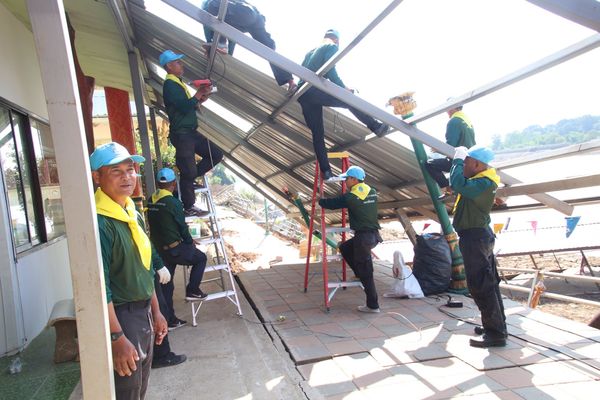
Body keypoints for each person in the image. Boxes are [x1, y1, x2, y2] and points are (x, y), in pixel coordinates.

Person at [90, 142, 169, 398]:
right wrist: (116, 337)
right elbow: (100, 288)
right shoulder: (99, 222)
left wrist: (157, 312)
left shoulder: (129, 211)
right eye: (116, 171)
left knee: (140, 385)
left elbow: (145, 267)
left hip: (142, 312)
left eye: (130, 168)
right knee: (127, 390)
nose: (127, 176)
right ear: (97, 177)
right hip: (122, 318)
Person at [297, 30, 389, 181]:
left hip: (303, 95)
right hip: (313, 89)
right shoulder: (331, 46)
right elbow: (330, 70)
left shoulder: (310, 52)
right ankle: (375, 126)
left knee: (317, 134)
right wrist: (343, 89)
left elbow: (303, 73)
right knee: (349, 100)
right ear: (337, 40)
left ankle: (326, 172)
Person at [449, 145, 507, 348]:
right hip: (478, 235)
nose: (463, 166)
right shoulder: (481, 181)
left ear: (476, 164)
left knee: (481, 285)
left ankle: (495, 333)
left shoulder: (482, 182)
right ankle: (496, 326)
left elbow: (457, 183)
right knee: (489, 282)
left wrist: (456, 160)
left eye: (465, 162)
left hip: (475, 238)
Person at [159, 49, 223, 217]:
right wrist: (198, 94)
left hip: (190, 132)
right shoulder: (170, 84)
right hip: (182, 134)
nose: (182, 65)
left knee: (215, 154)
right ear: (169, 66)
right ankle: (189, 205)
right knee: (187, 172)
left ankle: (189, 180)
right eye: (178, 62)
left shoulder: (177, 82)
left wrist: (200, 98)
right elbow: (182, 106)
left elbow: (188, 105)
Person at [147, 168, 209, 330]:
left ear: (158, 183)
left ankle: (170, 320)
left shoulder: (151, 200)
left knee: (166, 285)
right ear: (174, 184)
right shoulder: (173, 203)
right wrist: (190, 243)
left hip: (160, 251)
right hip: (175, 249)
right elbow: (182, 227)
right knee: (201, 258)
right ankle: (193, 290)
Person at [318, 166, 383, 313]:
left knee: (367, 273)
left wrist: (320, 200)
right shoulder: (371, 191)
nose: (345, 182)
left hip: (364, 238)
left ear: (354, 179)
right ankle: (359, 273)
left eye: (346, 179)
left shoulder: (351, 197)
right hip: (372, 235)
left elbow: (332, 204)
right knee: (345, 248)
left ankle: (373, 306)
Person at [201, 0, 296, 90]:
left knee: (212, 5)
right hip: (254, 18)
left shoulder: (207, 4)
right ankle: (290, 81)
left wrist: (211, 43)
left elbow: (207, 25)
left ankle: (221, 43)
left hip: (245, 12)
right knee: (269, 50)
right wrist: (227, 53)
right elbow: (232, 37)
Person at [425, 104, 476, 199]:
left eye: (447, 108)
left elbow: (450, 144)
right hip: (472, 159)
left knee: (430, 164)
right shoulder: (467, 121)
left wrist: (437, 149)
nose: (446, 111)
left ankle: (448, 189)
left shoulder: (454, 121)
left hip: (459, 159)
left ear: (453, 107)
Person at [151, 272, 187, 368]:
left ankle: (171, 320)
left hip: (149, 272)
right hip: (147, 274)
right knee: (160, 310)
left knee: (165, 294)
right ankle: (161, 355)